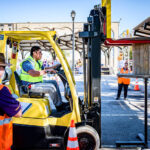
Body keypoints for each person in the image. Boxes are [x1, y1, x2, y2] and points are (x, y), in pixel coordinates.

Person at [20, 46, 68, 111]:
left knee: (53, 82)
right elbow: (33, 73)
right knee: (51, 88)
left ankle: (60, 103)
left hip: (37, 83)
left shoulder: (37, 62)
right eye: (40, 53)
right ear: (34, 53)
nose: (41, 54)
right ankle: (59, 106)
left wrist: (53, 67)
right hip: (29, 86)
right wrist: (47, 71)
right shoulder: (27, 62)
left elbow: (43, 69)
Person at [0, 53, 22, 150]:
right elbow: (18, 113)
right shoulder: (2, 91)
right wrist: (16, 103)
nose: (1, 71)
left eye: (2, 68)